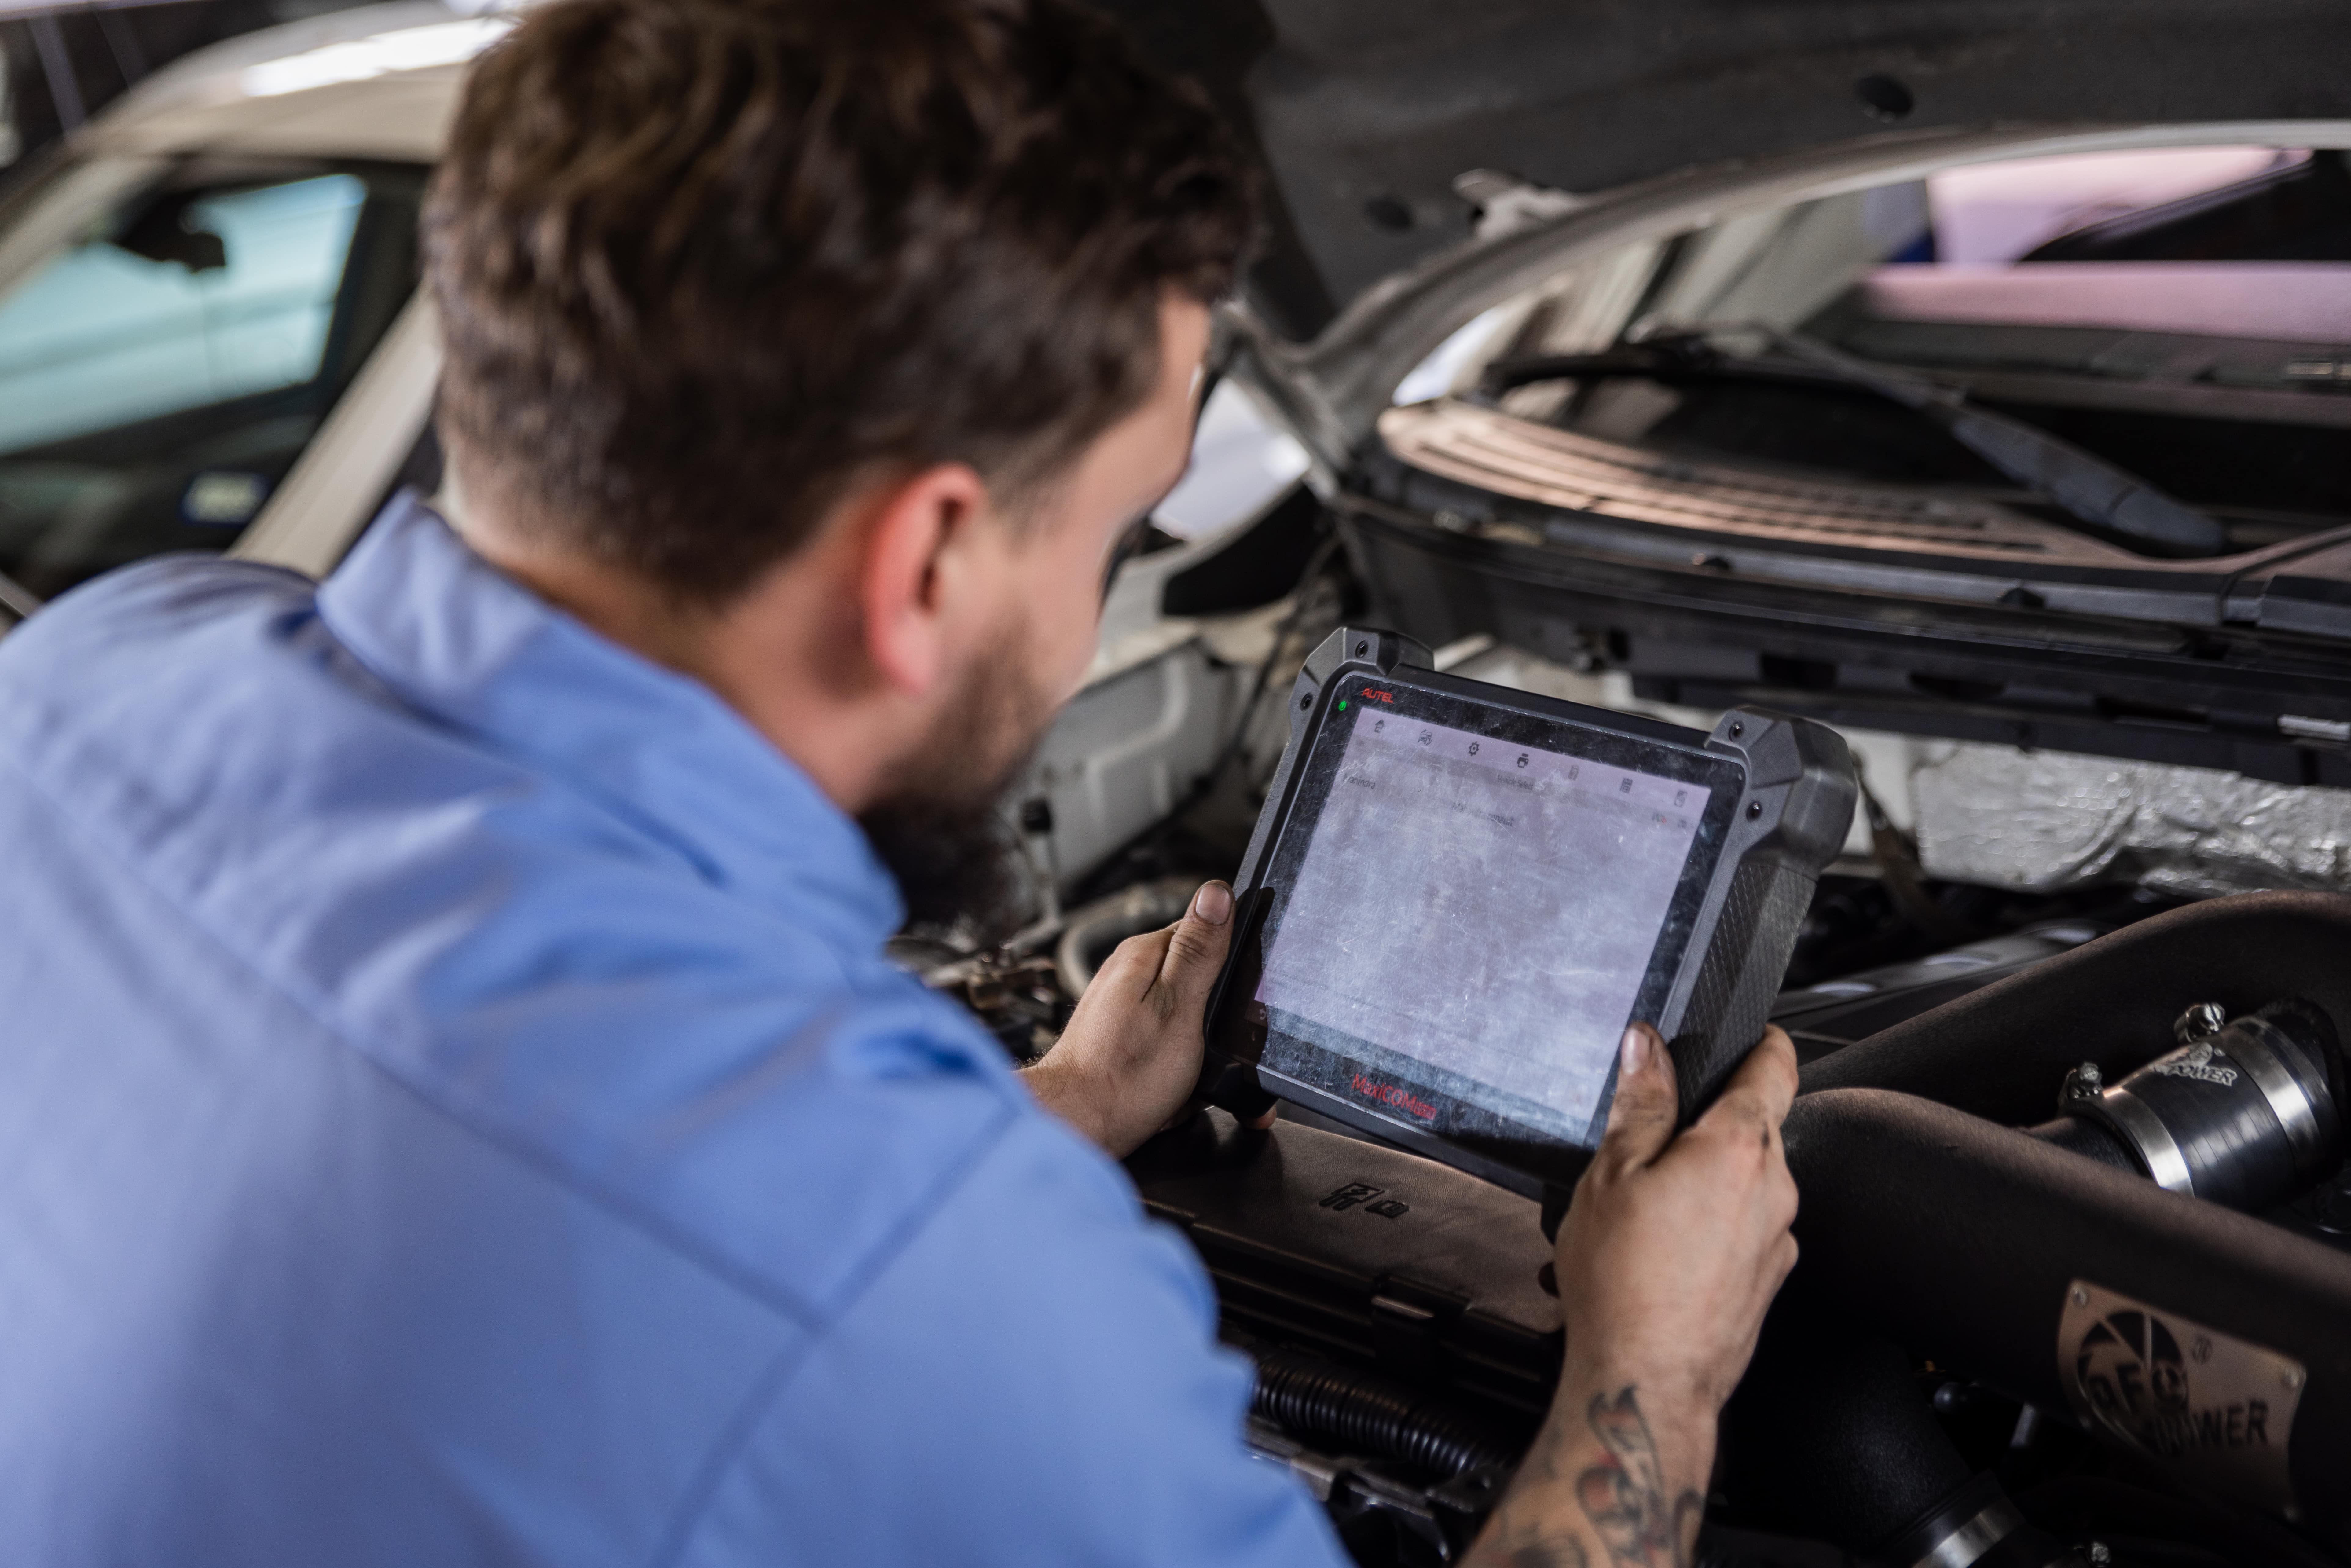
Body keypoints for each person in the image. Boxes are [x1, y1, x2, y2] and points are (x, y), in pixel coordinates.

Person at [0, 0, 1799, 1563]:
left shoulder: (95, 673)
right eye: (1123, 526)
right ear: (927, 560)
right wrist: (1656, 1368)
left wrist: (1076, 1100)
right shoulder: (932, 1288)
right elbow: (803, 1261)